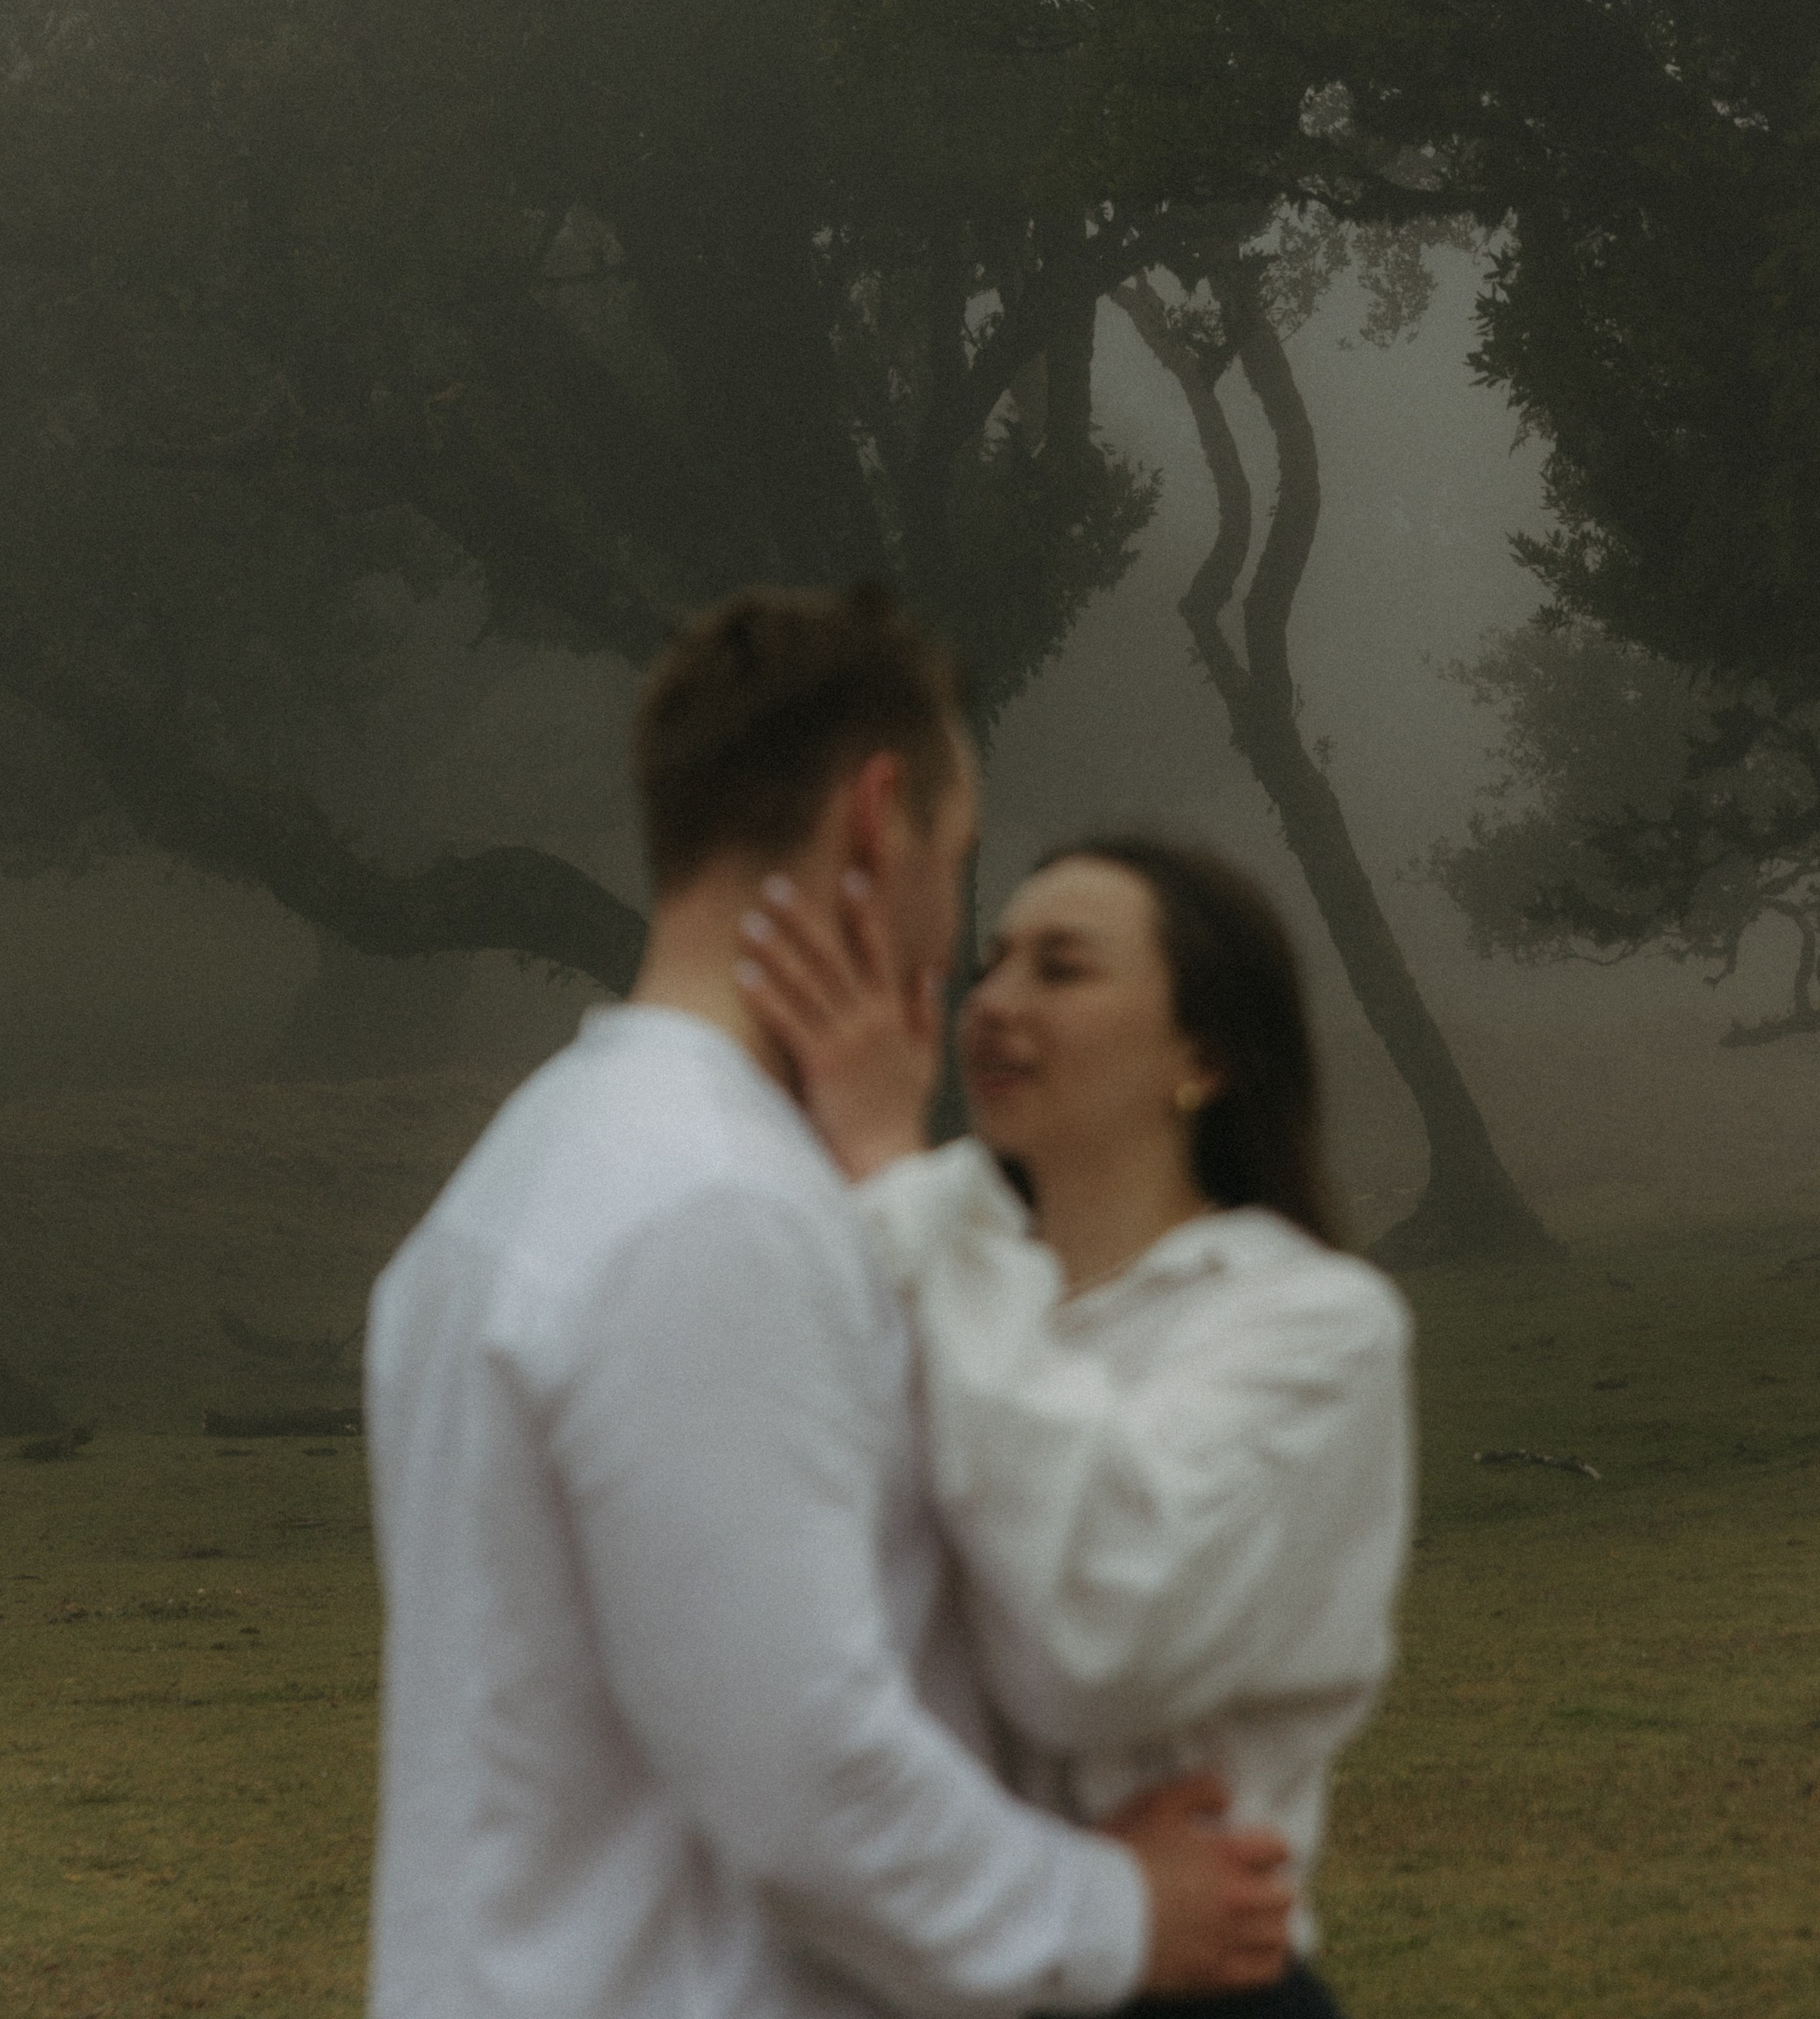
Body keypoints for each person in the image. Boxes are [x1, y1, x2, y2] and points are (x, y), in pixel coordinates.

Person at [362, 587, 1296, 2019]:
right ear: (877, 819)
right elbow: (801, 1765)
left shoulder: (516, 1185)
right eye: (960, 855)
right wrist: (1117, 1913)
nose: (961, 934)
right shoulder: (717, 1215)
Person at [737, 833, 1414, 2019]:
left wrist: (892, 1169)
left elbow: (1099, 1647)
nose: (994, 1004)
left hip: (1190, 1989)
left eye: (1062, 970)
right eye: (992, 962)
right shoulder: (922, 1266)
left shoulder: (1315, 1326)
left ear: (1203, 1053)